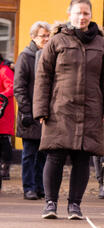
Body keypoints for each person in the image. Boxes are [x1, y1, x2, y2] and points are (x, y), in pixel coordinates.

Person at [33, 0, 104, 220]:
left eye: (86, 13)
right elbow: (43, 77)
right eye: (78, 13)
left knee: (82, 158)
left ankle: (75, 206)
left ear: (91, 15)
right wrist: (41, 109)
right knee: (55, 155)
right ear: (69, 14)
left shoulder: (101, 44)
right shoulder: (57, 41)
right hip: (59, 109)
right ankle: (50, 203)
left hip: (90, 110)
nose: (82, 17)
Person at [14, 21, 51, 200]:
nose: (46, 38)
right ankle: (29, 187)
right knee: (29, 154)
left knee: (43, 154)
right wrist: (27, 111)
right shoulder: (26, 56)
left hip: (44, 113)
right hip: (29, 114)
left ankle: (40, 186)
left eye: (47, 35)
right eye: (42, 35)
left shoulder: (48, 55)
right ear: (33, 37)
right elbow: (19, 87)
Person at [0, 54, 14, 191]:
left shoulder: (4, 70)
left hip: (2, 112)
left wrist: (2, 95)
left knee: (4, 141)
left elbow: (12, 86)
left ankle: (5, 165)